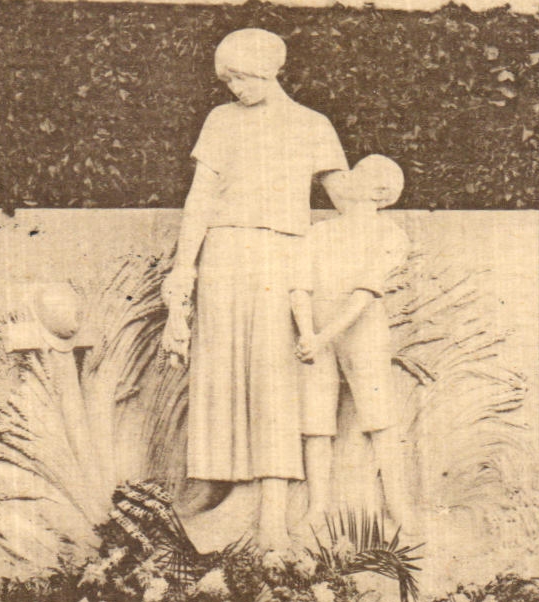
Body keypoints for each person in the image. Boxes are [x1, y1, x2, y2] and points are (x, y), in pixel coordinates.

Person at [159, 28, 348, 550]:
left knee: (273, 376)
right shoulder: (220, 121)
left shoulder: (313, 125)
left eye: (242, 77)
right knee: (217, 374)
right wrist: (184, 267)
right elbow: (200, 198)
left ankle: (271, 510)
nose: (235, 88)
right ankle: (217, 490)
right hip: (223, 251)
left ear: (269, 70)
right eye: (228, 81)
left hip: (282, 253)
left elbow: (347, 199)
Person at [291, 155, 413, 535]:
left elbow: (364, 295)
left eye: (358, 173)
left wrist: (320, 338)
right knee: (316, 421)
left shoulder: (390, 235)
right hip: (315, 334)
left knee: (380, 417)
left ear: (380, 191)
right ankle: (317, 508)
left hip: (362, 331)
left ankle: (399, 506)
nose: (346, 178)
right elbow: (299, 286)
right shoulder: (319, 233)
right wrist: (306, 332)